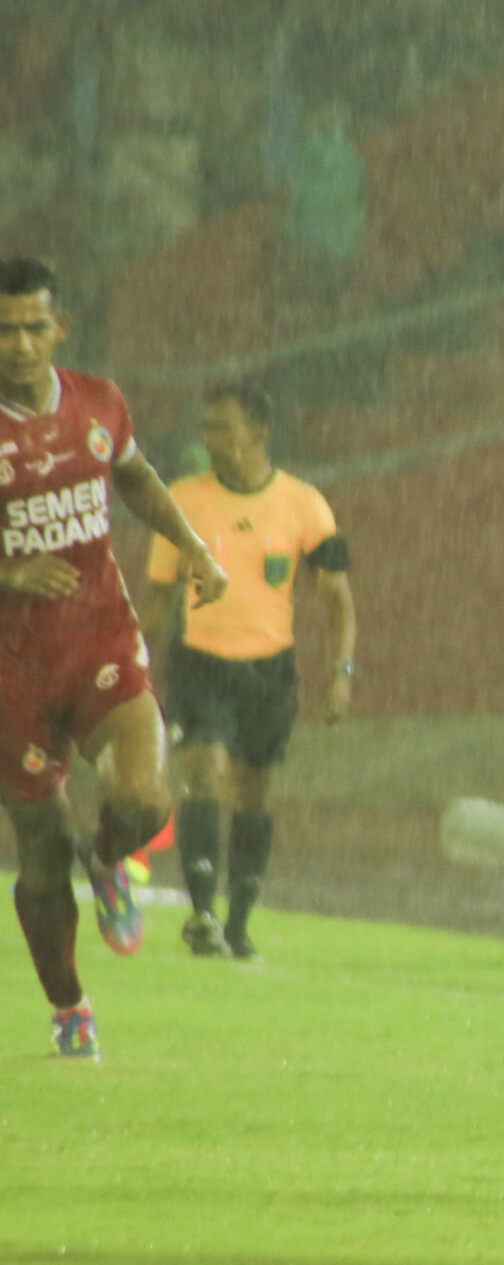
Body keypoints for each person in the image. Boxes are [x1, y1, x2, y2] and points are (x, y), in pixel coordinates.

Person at [0, 257, 228, 1057]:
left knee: (144, 798)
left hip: (99, 635)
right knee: (38, 845)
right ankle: (69, 1007)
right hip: (12, 669)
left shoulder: (99, 402)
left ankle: (108, 862)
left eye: (34, 325)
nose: (20, 342)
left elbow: (132, 478)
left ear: (60, 328)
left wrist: (191, 545)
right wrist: (8, 569)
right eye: (6, 328)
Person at [137, 381, 355, 961]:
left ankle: (239, 920)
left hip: (269, 670)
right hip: (200, 662)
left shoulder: (304, 505)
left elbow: (336, 598)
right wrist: (127, 657)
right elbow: (158, 596)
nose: (210, 440)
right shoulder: (182, 499)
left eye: (222, 428)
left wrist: (343, 670)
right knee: (204, 772)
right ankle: (203, 911)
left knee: (255, 793)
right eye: (205, 428)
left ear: (258, 435)